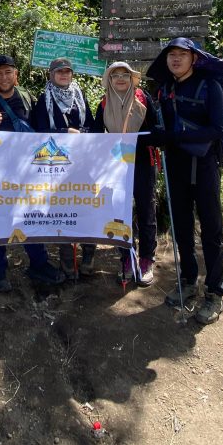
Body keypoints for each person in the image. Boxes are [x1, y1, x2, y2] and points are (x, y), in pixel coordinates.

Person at [0, 54, 65, 291]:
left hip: (27, 173)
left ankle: (38, 263)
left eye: (8, 72)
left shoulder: (28, 99)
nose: (4, 77)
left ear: (16, 74)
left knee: (31, 216)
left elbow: (42, 133)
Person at [147, 38, 223, 325]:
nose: (176, 59)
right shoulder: (166, 88)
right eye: (172, 55)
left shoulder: (210, 87)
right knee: (182, 227)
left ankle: (215, 293)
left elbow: (217, 129)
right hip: (176, 166)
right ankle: (189, 280)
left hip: (204, 166)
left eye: (182, 55)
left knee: (211, 230)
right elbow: (163, 127)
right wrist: (159, 135)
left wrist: (175, 137)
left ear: (194, 58)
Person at [92, 61, 159, 287]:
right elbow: (94, 133)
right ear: (109, 80)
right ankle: (126, 259)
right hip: (116, 164)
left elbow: (157, 129)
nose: (120, 78)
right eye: (115, 75)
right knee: (120, 213)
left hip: (142, 162)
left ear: (132, 78)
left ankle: (147, 260)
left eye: (125, 74)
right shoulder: (104, 103)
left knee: (146, 210)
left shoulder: (143, 99)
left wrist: (141, 139)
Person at [32, 56, 97, 279]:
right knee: (62, 210)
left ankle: (88, 257)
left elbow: (93, 125)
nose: (64, 75)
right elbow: (37, 133)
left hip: (83, 163)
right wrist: (63, 134)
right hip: (56, 166)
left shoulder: (80, 96)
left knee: (87, 208)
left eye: (68, 71)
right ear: (51, 75)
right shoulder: (44, 100)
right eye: (59, 72)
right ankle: (67, 261)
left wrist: (85, 136)